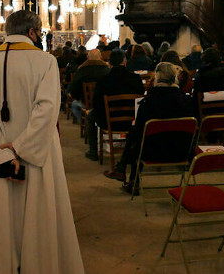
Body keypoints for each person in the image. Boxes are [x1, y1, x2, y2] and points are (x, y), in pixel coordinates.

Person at [0, 10, 84, 274]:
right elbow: (47, 110)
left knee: (7, 216)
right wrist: (22, 147)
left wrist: (5, 155)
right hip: (40, 152)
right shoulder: (45, 61)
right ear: (33, 32)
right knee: (43, 213)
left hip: (3, 154)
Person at [103, 62, 194, 192]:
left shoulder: (148, 102)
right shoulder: (187, 101)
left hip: (151, 153)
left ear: (156, 78)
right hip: (182, 151)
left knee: (136, 133)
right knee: (138, 133)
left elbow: (140, 132)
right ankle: (122, 170)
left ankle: (130, 178)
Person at [86, 50, 146, 161]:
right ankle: (133, 150)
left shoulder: (103, 81)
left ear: (109, 63)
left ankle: (93, 151)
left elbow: (96, 104)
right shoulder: (136, 79)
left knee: (90, 115)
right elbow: (140, 99)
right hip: (132, 121)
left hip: (109, 122)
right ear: (125, 61)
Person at [67, 49, 110, 122]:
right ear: (100, 57)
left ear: (88, 57)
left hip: (85, 103)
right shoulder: (107, 70)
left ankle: (85, 122)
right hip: (103, 103)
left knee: (74, 104)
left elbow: (74, 89)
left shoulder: (81, 70)